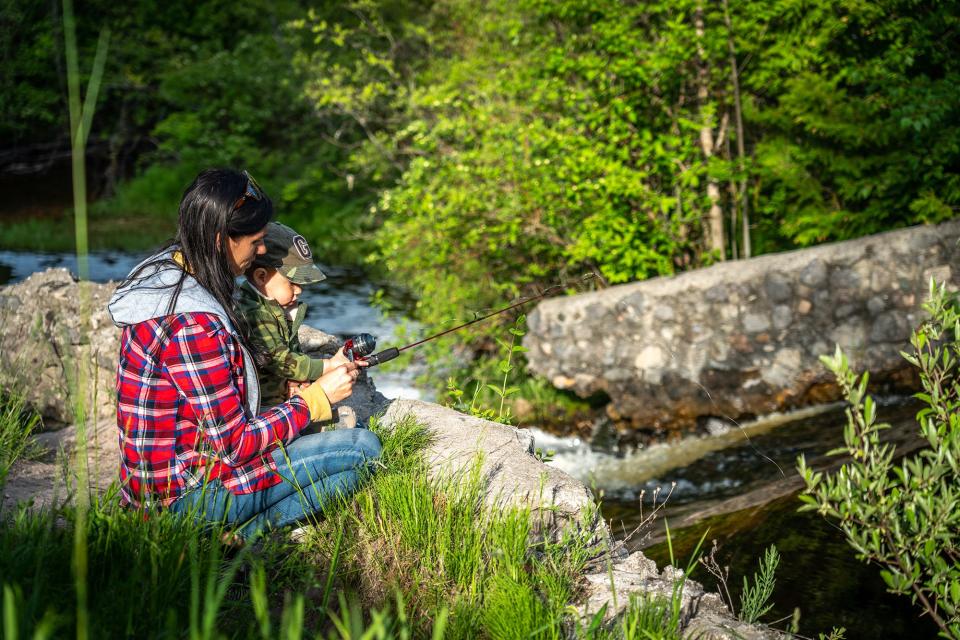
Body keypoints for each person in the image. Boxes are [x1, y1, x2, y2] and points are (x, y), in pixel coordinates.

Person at [107, 168, 381, 540]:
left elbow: (210, 407)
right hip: (185, 497)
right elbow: (235, 445)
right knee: (363, 449)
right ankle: (230, 534)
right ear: (223, 239)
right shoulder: (194, 325)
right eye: (256, 242)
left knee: (346, 468)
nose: (262, 251)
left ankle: (233, 537)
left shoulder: (166, 272)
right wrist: (316, 399)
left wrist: (283, 396)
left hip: (163, 480)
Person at [236, 222, 350, 413]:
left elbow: (290, 350)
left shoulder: (274, 306)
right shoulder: (255, 313)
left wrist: (296, 379)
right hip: (261, 408)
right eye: (292, 283)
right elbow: (281, 360)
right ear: (261, 277)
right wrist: (327, 365)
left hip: (280, 398)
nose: (299, 290)